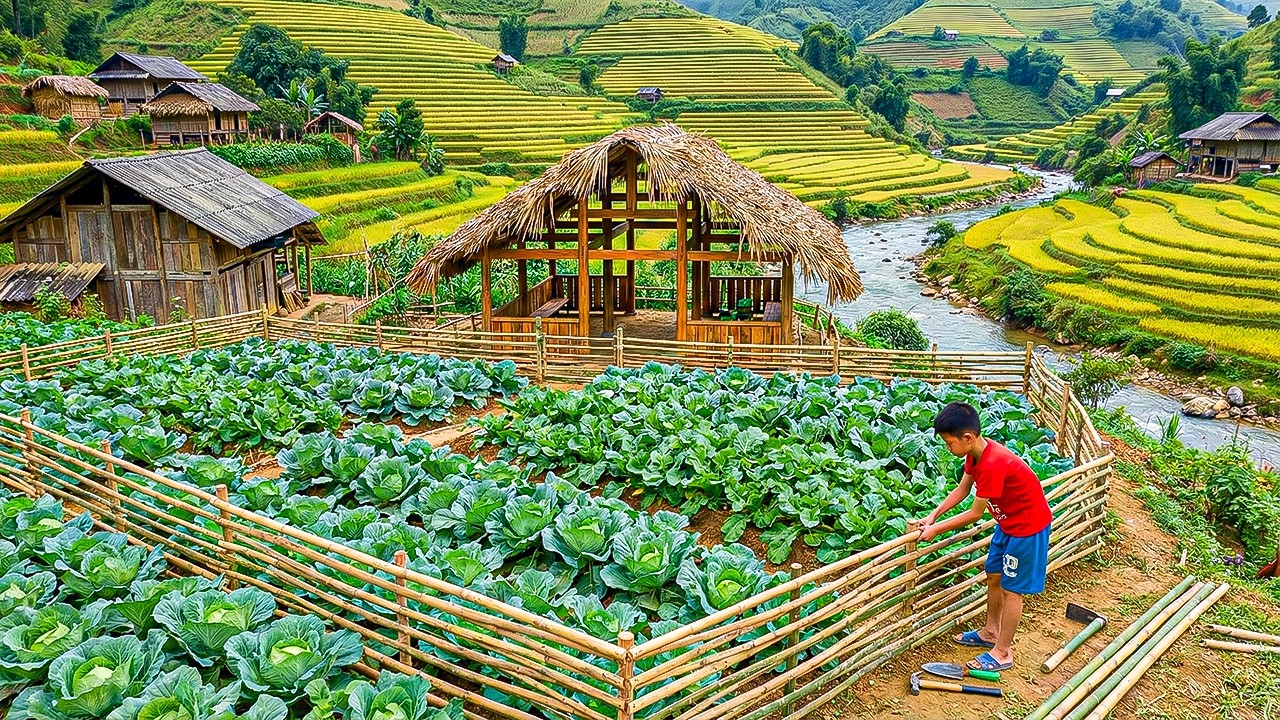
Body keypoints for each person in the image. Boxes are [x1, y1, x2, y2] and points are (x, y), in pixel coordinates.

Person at [915, 401, 1052, 672]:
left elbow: (975, 514)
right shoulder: (975, 454)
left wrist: (936, 530)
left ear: (967, 437)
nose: (947, 448)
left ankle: (1002, 652)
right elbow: (962, 489)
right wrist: (933, 516)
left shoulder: (993, 463)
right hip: (1008, 523)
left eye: (949, 443)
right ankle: (991, 632)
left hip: (1027, 528)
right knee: (994, 575)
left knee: (1012, 590)